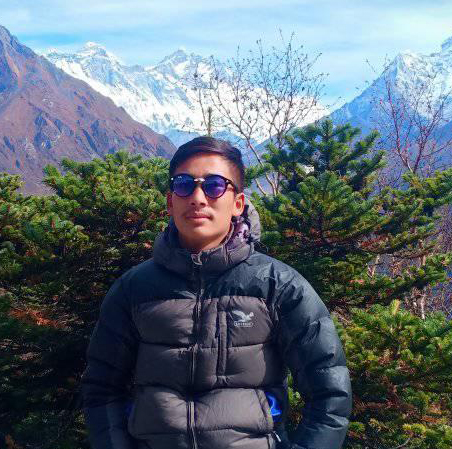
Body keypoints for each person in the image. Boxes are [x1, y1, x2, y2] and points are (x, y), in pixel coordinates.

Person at [81, 136, 352, 449]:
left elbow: (330, 394)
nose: (198, 198)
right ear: (170, 201)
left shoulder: (277, 285)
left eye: (214, 186)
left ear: (237, 203)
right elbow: (101, 389)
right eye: (184, 185)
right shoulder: (134, 289)